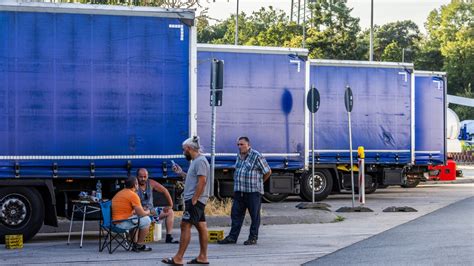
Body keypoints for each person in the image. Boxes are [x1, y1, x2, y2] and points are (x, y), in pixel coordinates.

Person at [162, 136, 210, 265]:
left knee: (185, 225)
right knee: (201, 226)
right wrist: (181, 173)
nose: (183, 153)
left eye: (184, 150)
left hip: (195, 200)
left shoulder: (200, 161)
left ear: (189, 148)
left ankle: (178, 258)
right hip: (197, 199)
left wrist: (194, 199)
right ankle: (203, 257)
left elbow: (202, 181)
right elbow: (194, 179)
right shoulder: (196, 161)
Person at [218, 136, 272, 245]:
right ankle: (232, 237)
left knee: (254, 216)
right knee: (236, 215)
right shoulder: (239, 156)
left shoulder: (256, 156)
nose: (239, 146)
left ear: (248, 145)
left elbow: (268, 171)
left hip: (253, 192)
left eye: (242, 144)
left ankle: (253, 238)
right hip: (240, 191)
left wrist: (259, 182)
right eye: (238, 144)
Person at [136, 168, 179, 244]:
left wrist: (170, 205)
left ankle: (169, 237)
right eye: (140, 177)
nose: (143, 179)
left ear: (147, 176)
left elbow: (164, 190)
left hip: (152, 212)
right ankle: (137, 240)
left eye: (145, 176)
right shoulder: (134, 185)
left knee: (170, 212)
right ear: (137, 176)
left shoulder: (151, 183)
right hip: (140, 213)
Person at [111, 176, 152, 252]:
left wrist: (136, 211)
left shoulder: (121, 192)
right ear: (135, 184)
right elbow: (142, 213)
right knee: (147, 220)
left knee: (135, 219)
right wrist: (148, 212)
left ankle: (134, 243)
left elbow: (125, 209)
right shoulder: (133, 195)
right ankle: (139, 245)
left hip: (114, 223)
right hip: (121, 224)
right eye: (137, 183)